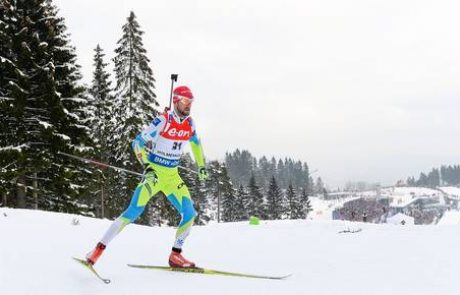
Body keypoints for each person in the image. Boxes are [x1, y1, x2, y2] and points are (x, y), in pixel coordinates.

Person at [85, 85, 208, 268]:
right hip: (155, 174)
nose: (188, 105)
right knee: (133, 211)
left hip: (172, 176)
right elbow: (137, 143)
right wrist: (147, 166)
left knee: (189, 213)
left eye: (190, 102)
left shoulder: (190, 124)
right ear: (175, 101)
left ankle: (176, 255)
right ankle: (97, 251)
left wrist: (201, 166)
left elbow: (196, 144)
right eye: (184, 101)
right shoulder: (162, 121)